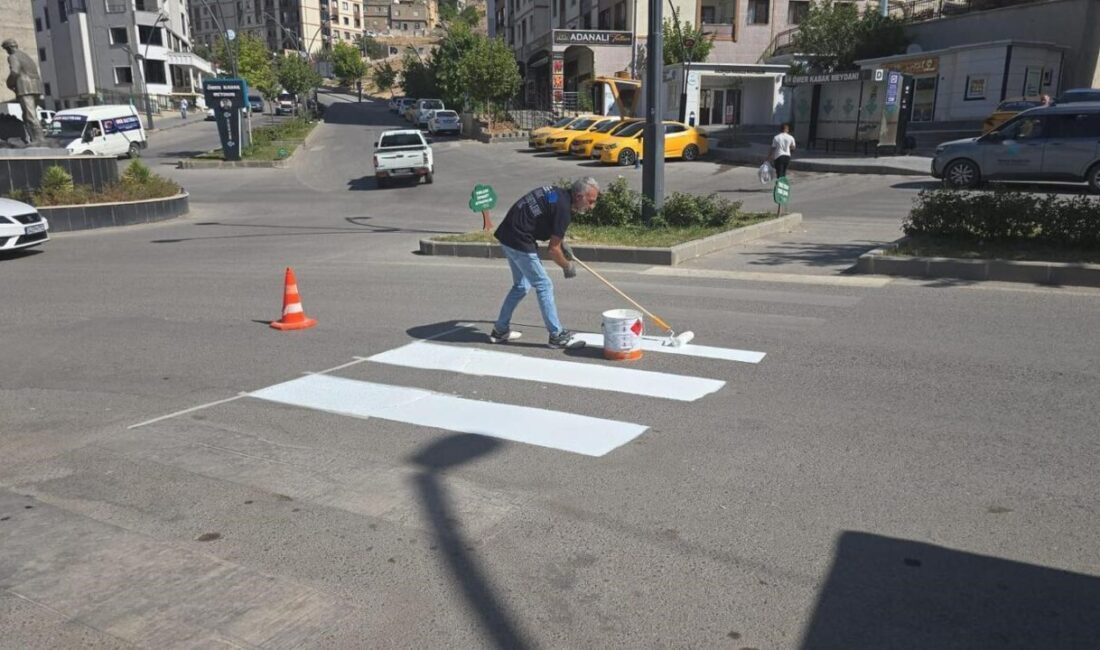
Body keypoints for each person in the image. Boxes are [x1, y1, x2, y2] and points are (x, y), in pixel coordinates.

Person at [491, 177, 600, 349]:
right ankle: (556, 335)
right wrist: (567, 266)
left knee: (521, 286)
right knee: (544, 284)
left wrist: (562, 241)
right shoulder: (564, 209)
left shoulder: (555, 194)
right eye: (591, 201)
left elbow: (546, 213)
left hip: (508, 233)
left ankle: (500, 330)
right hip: (519, 239)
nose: (591, 207)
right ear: (579, 196)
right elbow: (552, 250)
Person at [2, 38, 45, 145]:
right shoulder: (26, 56)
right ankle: (33, 139)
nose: (6, 52)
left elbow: (15, 72)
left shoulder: (13, 57)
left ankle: (39, 140)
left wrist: (9, 83)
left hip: (25, 88)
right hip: (36, 88)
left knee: (30, 115)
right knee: (27, 115)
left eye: (6, 49)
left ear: (9, 48)